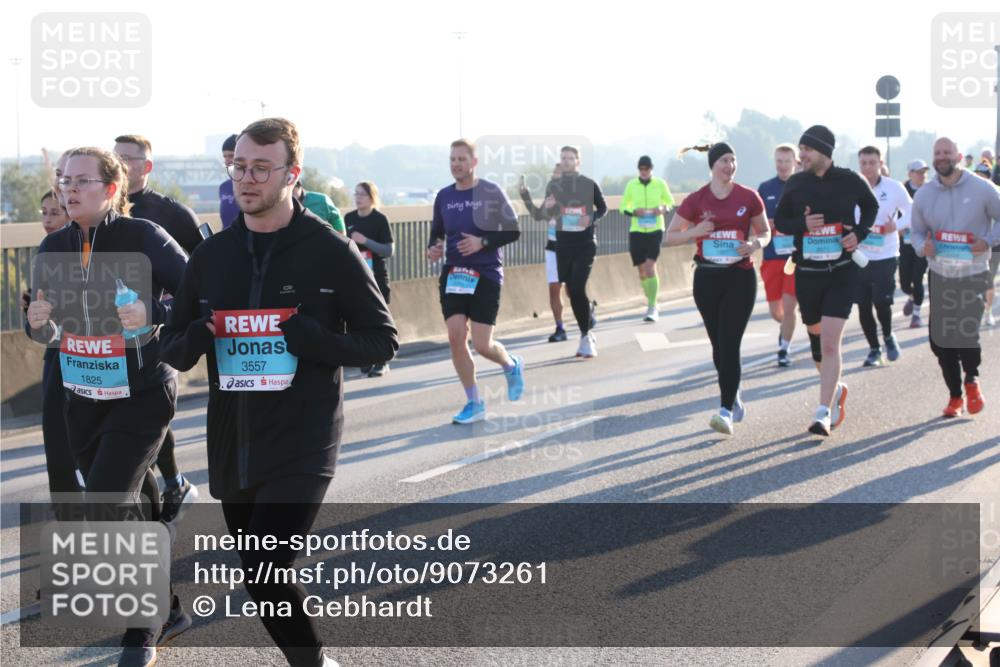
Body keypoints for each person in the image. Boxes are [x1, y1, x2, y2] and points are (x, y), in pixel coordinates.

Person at [161, 117, 398, 667]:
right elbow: (172, 350)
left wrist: (311, 337)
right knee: (258, 578)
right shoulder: (212, 256)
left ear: (292, 175)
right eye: (239, 167)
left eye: (261, 169)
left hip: (303, 440)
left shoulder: (329, 250)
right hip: (234, 440)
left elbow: (382, 340)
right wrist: (198, 333)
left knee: (269, 571)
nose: (247, 179)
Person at [28, 147, 191, 666]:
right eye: (63, 180)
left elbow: (196, 291)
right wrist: (39, 321)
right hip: (84, 395)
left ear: (112, 188)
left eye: (81, 181)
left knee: (101, 502)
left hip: (142, 394)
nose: (68, 189)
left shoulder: (142, 237)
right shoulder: (53, 246)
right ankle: (169, 607)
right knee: (123, 507)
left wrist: (155, 311)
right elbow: (47, 332)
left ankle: (140, 632)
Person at [113, 134, 200, 522]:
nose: (118, 163)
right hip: (108, 340)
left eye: (127, 158)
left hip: (157, 337)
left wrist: (162, 311)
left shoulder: (171, 215)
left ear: (146, 167)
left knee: (147, 417)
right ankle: (167, 486)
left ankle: (171, 484)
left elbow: (203, 271)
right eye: (113, 157)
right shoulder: (100, 213)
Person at [775, 125, 878, 436]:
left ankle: (822, 412)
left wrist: (858, 233)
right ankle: (835, 391)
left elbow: (871, 207)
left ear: (823, 152)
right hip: (807, 273)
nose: (801, 155)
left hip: (842, 272)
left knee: (831, 342)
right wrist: (802, 223)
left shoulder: (850, 180)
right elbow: (781, 221)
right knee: (818, 342)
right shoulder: (796, 183)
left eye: (806, 150)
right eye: (800, 149)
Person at [666, 143, 770, 435]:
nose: (730, 165)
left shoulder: (748, 197)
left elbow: (765, 231)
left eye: (733, 160)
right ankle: (732, 391)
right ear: (713, 165)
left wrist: (755, 244)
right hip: (708, 278)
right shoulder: (697, 199)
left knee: (729, 342)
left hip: (740, 277)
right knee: (718, 345)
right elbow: (670, 236)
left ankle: (724, 410)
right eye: (725, 160)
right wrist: (696, 232)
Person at [426, 139, 525, 424]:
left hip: (486, 274)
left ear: (474, 162)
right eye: (452, 159)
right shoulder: (444, 196)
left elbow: (513, 230)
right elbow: (437, 233)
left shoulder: (491, 192)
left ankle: (510, 363)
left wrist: (482, 241)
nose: (456, 164)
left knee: (482, 345)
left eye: (461, 159)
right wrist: (433, 247)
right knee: (456, 336)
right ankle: (474, 402)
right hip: (454, 274)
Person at [910, 137, 1000, 417]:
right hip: (940, 273)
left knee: (964, 329)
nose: (942, 157)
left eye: (947, 152)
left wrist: (986, 241)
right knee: (940, 340)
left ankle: (971, 380)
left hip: (973, 271)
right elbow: (916, 231)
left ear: (959, 156)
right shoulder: (924, 194)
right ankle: (955, 397)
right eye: (937, 153)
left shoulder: (983, 189)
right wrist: (921, 246)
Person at [542, 146, 608, 357]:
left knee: (578, 288)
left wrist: (591, 219)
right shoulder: (554, 185)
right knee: (572, 291)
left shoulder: (589, 184)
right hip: (563, 245)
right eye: (564, 158)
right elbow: (546, 212)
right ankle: (586, 328)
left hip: (585, 244)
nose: (567, 161)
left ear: (578, 161)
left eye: (571, 158)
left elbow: (603, 208)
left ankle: (585, 336)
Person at [855, 146, 911, 367]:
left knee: (881, 301)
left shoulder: (894, 188)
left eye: (872, 162)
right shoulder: (852, 188)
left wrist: (894, 226)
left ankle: (888, 336)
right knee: (863, 305)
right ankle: (873, 349)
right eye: (864, 163)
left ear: (880, 163)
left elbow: (912, 212)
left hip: (886, 254)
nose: (868, 167)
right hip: (859, 255)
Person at [345, 181, 395, 376]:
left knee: (379, 320)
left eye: (362, 194)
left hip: (377, 277)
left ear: (372, 197)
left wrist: (365, 241)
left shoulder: (379, 219)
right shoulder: (348, 218)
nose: (358, 198)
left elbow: (389, 250)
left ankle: (382, 361)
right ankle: (366, 359)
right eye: (356, 194)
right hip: (356, 278)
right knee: (358, 319)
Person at [758, 143, 800, 367]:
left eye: (787, 161)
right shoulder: (765, 188)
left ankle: (784, 348)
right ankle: (786, 327)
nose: (783, 166)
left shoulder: (802, 186)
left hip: (794, 257)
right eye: (779, 161)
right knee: (777, 311)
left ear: (795, 162)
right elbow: (757, 221)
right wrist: (767, 224)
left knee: (790, 304)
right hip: (772, 255)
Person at [620, 155, 675, 322]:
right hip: (637, 230)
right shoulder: (631, 185)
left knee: (651, 265)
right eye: (641, 169)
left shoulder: (660, 184)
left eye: (647, 169)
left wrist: (662, 208)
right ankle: (651, 299)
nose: (644, 172)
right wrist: (634, 212)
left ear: (652, 169)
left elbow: (670, 202)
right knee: (642, 270)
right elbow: (623, 207)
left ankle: (651, 307)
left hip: (655, 230)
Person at [519, 164, 567, 342]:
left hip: (571, 247)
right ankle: (560, 327)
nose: (554, 176)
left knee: (572, 291)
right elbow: (538, 215)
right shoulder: (551, 189)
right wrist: (525, 196)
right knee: (554, 289)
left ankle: (586, 313)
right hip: (553, 247)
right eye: (553, 173)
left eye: (558, 173)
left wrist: (559, 206)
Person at [900, 159, 930, 328]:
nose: (922, 175)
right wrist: (898, 227)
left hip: (923, 242)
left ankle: (916, 315)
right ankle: (911, 296)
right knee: (904, 282)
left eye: (924, 172)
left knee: (917, 279)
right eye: (918, 172)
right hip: (905, 242)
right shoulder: (902, 189)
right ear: (910, 173)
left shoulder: (930, 190)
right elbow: (893, 210)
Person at [971, 160, 1000, 327]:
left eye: (984, 176)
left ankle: (988, 312)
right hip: (976, 246)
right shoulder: (969, 194)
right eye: (978, 176)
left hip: (994, 245)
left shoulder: (995, 192)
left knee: (988, 280)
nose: (980, 179)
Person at [219, 133, 240, 229]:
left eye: (231, 156)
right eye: (224, 156)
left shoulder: (252, 185)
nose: (227, 161)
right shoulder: (223, 187)